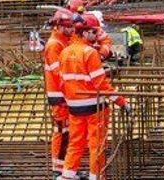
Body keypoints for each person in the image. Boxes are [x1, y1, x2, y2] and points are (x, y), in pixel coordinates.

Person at [59, 14, 129, 180]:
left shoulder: (65, 51)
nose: (97, 35)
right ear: (84, 33)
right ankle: (96, 176)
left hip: (74, 107)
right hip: (94, 108)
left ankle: (67, 176)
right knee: (96, 145)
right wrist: (122, 102)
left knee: (75, 143)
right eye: (94, 32)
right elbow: (101, 85)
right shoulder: (89, 53)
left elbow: (62, 82)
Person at [43, 9, 75, 178]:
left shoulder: (63, 41)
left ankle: (65, 168)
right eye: (69, 27)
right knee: (62, 131)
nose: (72, 30)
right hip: (59, 95)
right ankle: (58, 169)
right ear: (60, 26)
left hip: (64, 94)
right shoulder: (54, 45)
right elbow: (59, 72)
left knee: (67, 132)